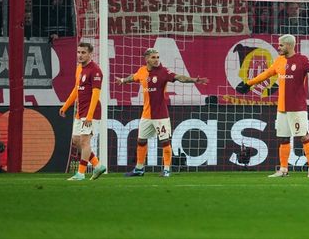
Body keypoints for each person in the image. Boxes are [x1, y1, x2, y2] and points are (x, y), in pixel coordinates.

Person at [236, 34, 309, 177]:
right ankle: (283, 170)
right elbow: (266, 74)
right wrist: (248, 84)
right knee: (283, 138)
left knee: (304, 137)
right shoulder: (279, 61)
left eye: (281, 45)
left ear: (289, 45)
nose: (278, 47)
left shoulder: (302, 60)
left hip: (297, 108)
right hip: (281, 108)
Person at [116, 48, 208, 177]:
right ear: (146, 59)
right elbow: (134, 77)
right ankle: (139, 169)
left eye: (158, 57)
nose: (157, 60)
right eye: (153, 57)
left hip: (161, 115)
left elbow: (179, 77)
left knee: (165, 141)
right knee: (141, 141)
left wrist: (193, 80)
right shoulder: (142, 71)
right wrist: (123, 80)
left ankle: (166, 170)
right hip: (146, 115)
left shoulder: (164, 72)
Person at [59, 42, 107, 181]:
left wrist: (89, 115)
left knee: (85, 141)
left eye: (83, 52)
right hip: (80, 111)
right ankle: (97, 165)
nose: (80, 55)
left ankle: (80, 173)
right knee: (76, 141)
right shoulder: (79, 69)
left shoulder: (96, 71)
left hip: (91, 110)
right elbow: (76, 89)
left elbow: (96, 94)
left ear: (90, 54)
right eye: (79, 52)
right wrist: (66, 106)